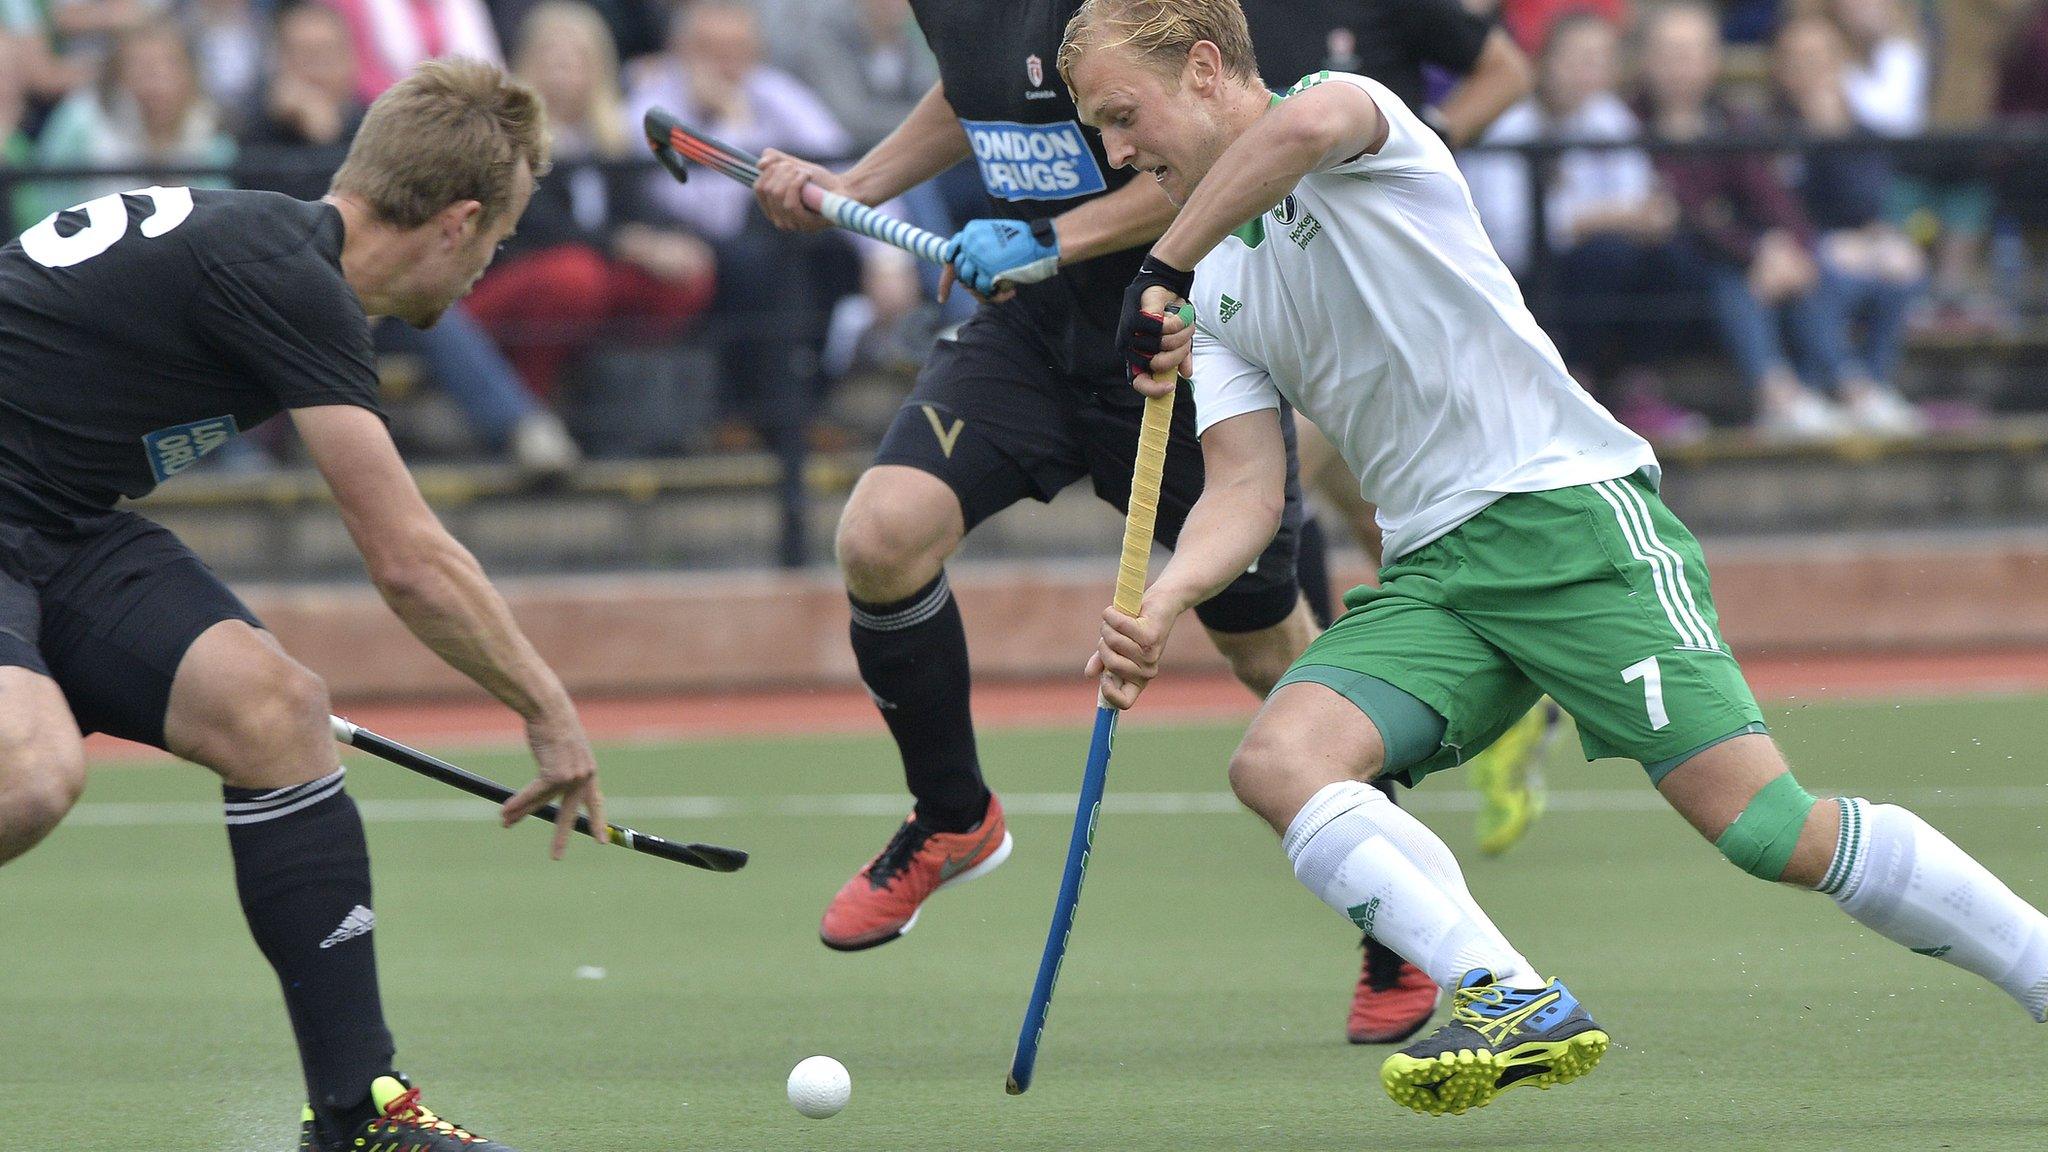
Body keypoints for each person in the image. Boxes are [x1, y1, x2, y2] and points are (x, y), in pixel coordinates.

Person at [1061, 0, 2048, 1116]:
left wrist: (1160, 264)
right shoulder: (1219, 291)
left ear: (1202, 69)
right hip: (1437, 571)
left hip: (1566, 518)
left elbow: (1291, 139)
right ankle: (1512, 997)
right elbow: (1246, 488)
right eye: (1101, 130)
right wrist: (1166, 600)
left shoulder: (1347, 120)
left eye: (1120, 116)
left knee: (1768, 831)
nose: (1114, 152)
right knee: (1277, 763)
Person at [0, 59, 602, 1151]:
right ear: (457, 222)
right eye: (498, 241)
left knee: (275, 709)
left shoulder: (274, 253)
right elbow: (408, 559)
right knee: (29, 773)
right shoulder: (287, 275)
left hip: (55, 523)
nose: (486, 270)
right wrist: (545, 705)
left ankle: (359, 1116)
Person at [748, 0, 1315, 960]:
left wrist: (1058, 235)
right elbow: (976, 91)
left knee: (1268, 650)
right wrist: (855, 182)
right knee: (883, 535)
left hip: (1176, 330)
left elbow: (1222, 154)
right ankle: (952, 816)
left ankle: (1395, 900)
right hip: (1032, 330)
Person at [1240, 0, 1549, 1046]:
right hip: (1294, 294)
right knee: (1359, 504)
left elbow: (1504, 66)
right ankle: (1499, 664)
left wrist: (1427, 143)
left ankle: (1456, 666)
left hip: (1398, 286)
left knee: (1297, 473)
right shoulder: (1200, 22)